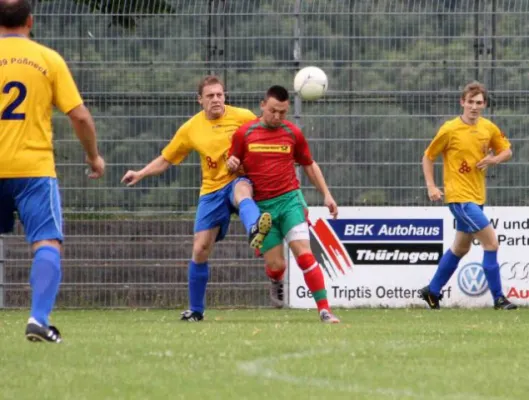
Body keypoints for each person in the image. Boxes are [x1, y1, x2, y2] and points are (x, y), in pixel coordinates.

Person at [121, 76, 271, 321]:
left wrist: (243, 161)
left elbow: (263, 142)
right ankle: (196, 310)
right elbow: (166, 158)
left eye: (220, 95)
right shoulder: (190, 128)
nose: (216, 100)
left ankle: (255, 227)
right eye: (210, 96)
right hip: (211, 190)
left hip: (238, 179)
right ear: (200, 100)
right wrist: (140, 173)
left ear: (225, 96)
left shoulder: (243, 117)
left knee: (242, 190)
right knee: (200, 248)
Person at [0, 0, 106, 342]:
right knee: (46, 242)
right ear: (30, 21)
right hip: (34, 169)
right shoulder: (48, 59)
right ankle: (38, 319)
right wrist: (93, 157)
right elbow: (79, 116)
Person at [227, 85, 340, 323]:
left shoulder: (292, 133)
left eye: (283, 112)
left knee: (305, 255)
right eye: (273, 111)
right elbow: (235, 168)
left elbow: (308, 164)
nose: (277, 117)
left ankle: (325, 310)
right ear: (262, 105)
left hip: (290, 200)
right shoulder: (244, 134)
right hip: (263, 208)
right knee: (277, 265)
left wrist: (327, 195)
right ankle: (275, 279)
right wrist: (232, 165)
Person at [418, 81, 517, 310]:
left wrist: (494, 159)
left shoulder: (488, 128)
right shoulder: (450, 129)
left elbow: (507, 151)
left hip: (477, 197)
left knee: (461, 248)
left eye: (479, 103)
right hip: (460, 199)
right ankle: (499, 299)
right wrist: (431, 186)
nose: (474, 106)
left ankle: (432, 291)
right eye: (470, 102)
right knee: (491, 243)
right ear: (462, 102)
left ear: (484, 105)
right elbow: (428, 156)